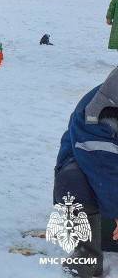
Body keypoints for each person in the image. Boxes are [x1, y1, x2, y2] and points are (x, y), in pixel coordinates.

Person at [52, 67, 118, 277]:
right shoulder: (100, 109)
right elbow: (103, 168)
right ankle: (87, 254)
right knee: (73, 180)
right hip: (93, 170)